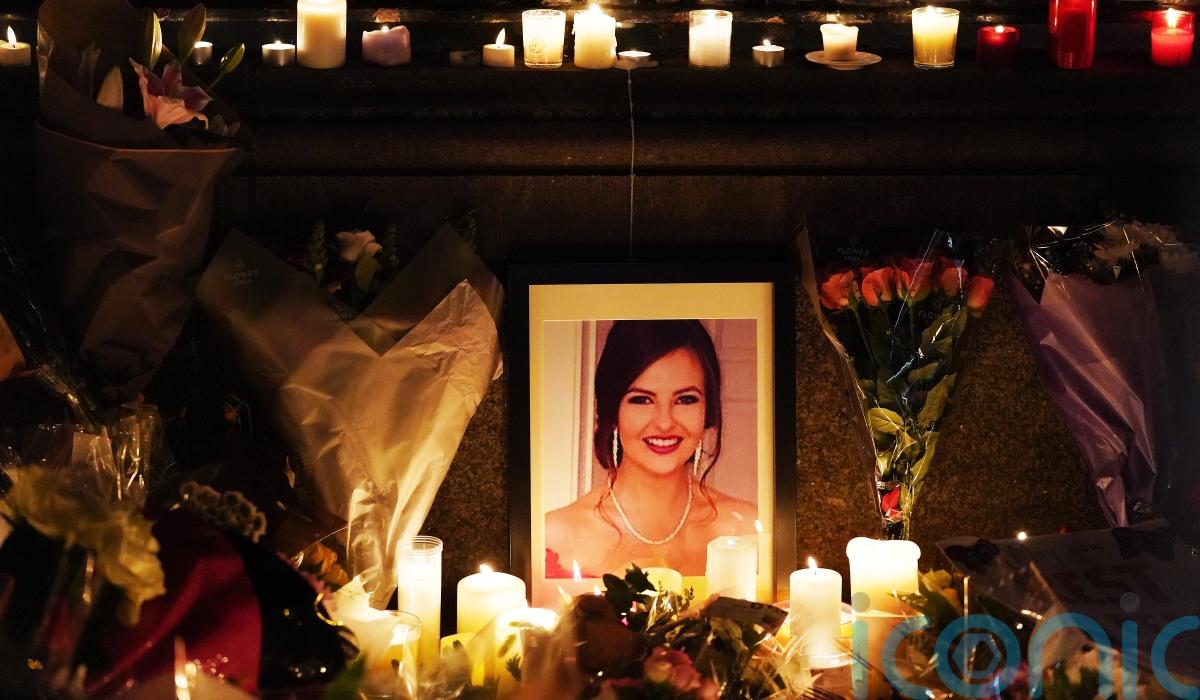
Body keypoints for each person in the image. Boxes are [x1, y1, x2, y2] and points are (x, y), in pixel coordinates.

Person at [545, 320, 757, 577]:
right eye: (642, 400)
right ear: (613, 411)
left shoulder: (748, 530)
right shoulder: (553, 538)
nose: (665, 423)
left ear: (707, 411)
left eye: (685, 399)